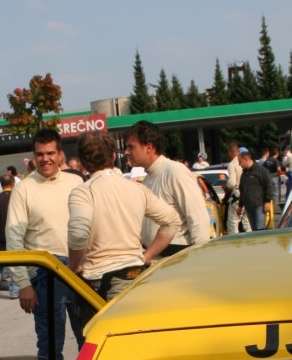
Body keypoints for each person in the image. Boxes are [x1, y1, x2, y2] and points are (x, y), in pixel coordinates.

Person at [67, 131, 181, 301]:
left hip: (101, 282)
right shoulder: (137, 189)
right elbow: (172, 221)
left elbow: (78, 233)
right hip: (137, 278)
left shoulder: (83, 192)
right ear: (113, 156)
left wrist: (73, 267)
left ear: (82, 162)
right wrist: (147, 255)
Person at [6, 127, 84, 360]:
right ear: (33, 156)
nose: (45, 159)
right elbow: (13, 238)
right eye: (40, 154)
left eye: (50, 153)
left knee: (90, 340)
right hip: (46, 273)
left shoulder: (76, 181)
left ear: (60, 154)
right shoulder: (24, 189)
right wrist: (23, 283)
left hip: (80, 269)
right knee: (50, 346)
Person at [123, 121, 210, 256]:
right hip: (156, 256)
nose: (126, 152)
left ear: (149, 147)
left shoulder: (175, 171)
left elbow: (198, 218)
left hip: (176, 256)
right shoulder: (149, 178)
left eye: (131, 147)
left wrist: (200, 257)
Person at [237, 147, 273, 231]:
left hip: (259, 205)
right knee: (254, 230)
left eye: (240, 162)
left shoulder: (261, 171)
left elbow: (269, 185)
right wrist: (240, 206)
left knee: (260, 228)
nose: (239, 164)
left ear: (246, 159)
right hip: (249, 206)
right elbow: (242, 190)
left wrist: (268, 201)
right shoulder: (244, 173)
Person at [223, 142, 252, 234]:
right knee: (247, 223)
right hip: (249, 196)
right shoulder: (246, 161)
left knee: (233, 223)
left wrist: (226, 186)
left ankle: (233, 242)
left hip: (238, 197)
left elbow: (232, 183)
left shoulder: (232, 164)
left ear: (230, 152)